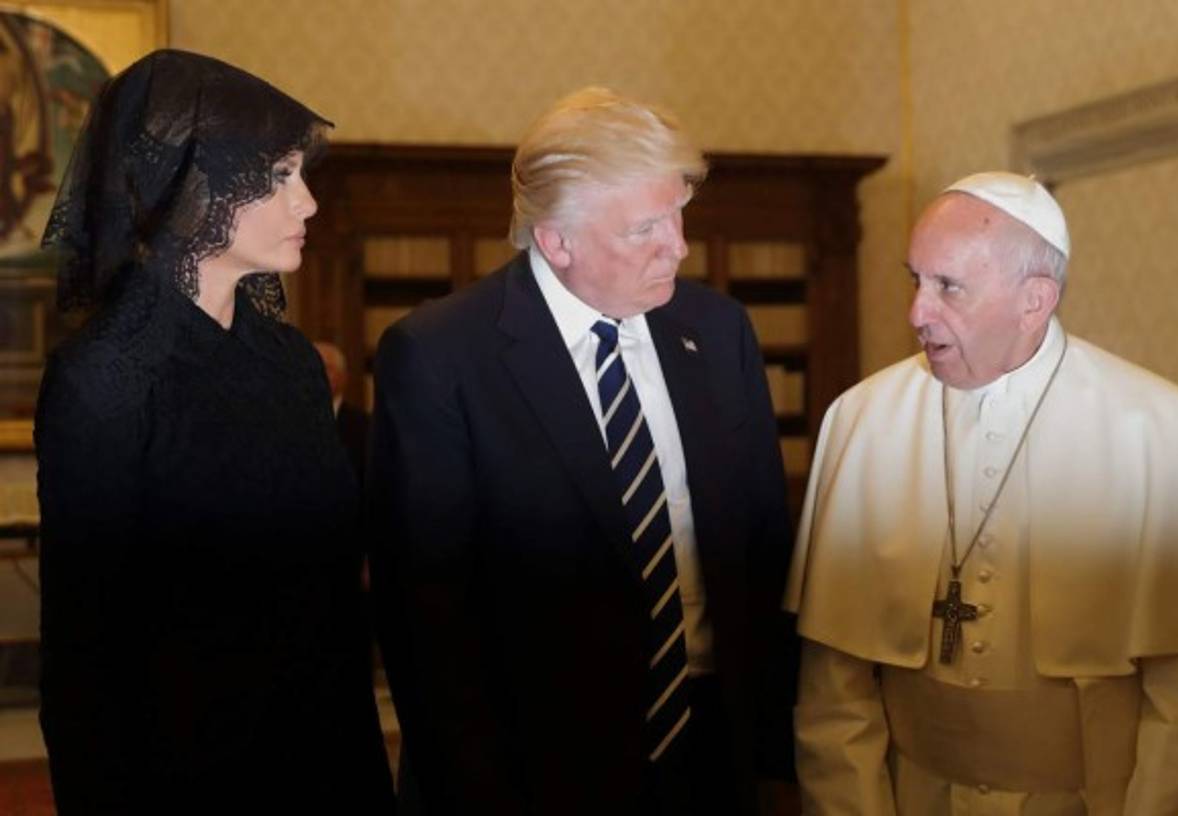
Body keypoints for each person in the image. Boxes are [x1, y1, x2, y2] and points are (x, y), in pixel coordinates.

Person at [368, 86, 795, 816]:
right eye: (645, 229)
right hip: (533, 770)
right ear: (555, 240)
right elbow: (427, 620)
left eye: (679, 217)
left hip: (710, 755)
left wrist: (776, 761)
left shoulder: (719, 332)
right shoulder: (441, 355)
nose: (680, 247)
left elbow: (761, 553)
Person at [785, 171, 1178, 815]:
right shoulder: (862, 421)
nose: (916, 313)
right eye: (916, 279)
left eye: (948, 287)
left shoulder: (1162, 431)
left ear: (1034, 300)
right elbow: (834, 699)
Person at [35, 49, 394, 814]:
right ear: (193, 187)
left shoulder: (292, 361)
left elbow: (331, 604)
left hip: (328, 762)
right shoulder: (104, 379)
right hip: (186, 779)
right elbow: (83, 658)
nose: (309, 203)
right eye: (277, 176)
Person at [314, 340, 371, 486]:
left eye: (326, 368)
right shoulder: (289, 422)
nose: (317, 374)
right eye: (312, 367)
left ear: (343, 376)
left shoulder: (366, 426)